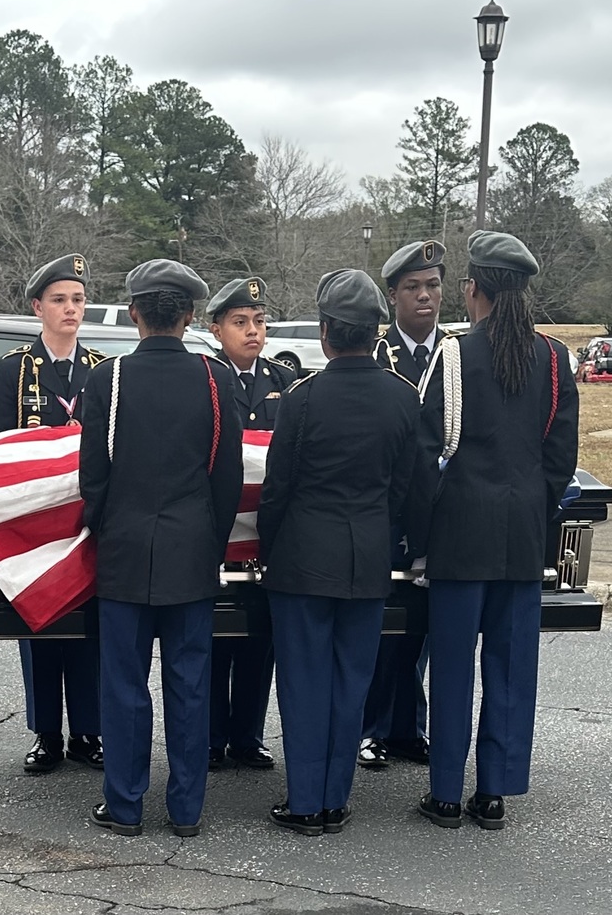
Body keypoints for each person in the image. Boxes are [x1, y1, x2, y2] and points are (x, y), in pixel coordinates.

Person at [415, 231, 578, 831]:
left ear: (474, 289)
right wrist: (539, 512)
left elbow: (426, 447)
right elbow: (561, 457)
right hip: (523, 536)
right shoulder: (554, 358)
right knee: (511, 668)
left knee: (454, 666)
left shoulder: (454, 354)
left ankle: (446, 796)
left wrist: (424, 527)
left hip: (460, 535)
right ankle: (494, 792)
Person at [79, 258, 243, 838]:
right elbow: (226, 476)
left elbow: (92, 479)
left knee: (123, 683)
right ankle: (186, 809)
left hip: (124, 553)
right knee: (190, 683)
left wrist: (105, 531)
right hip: (192, 553)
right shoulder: (217, 378)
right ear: (192, 315)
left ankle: (123, 805)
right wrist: (211, 540)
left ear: (133, 314)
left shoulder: (107, 380)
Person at [258, 269, 420, 835]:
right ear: (376, 332)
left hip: (302, 557)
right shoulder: (403, 398)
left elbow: (279, 486)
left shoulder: (302, 398)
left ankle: (305, 802)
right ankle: (335, 800)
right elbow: (405, 485)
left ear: (326, 331)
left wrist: (270, 549)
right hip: (368, 555)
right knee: (352, 681)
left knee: (304, 682)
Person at [0, 253, 106, 775]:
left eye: (77, 300)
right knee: (39, 627)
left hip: (89, 520)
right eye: (59, 300)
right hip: (34, 525)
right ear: (38, 307)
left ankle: (88, 731)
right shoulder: (14, 370)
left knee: (89, 629)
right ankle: (47, 734)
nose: (70, 309)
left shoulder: (104, 370)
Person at [360, 239, 448, 770]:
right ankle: (370, 728)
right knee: (380, 630)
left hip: (438, 513)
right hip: (387, 511)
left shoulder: (456, 354)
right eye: (413, 287)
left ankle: (408, 727)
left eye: (433, 285)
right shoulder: (375, 355)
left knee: (420, 628)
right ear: (393, 296)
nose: (424, 296)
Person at [205, 277, 296, 772]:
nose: (252, 331)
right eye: (240, 323)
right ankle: (212, 734)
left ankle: (248, 734)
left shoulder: (283, 380)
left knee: (260, 639)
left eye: (259, 322)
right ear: (216, 328)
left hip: (265, 534)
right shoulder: (206, 379)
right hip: (221, 533)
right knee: (219, 638)